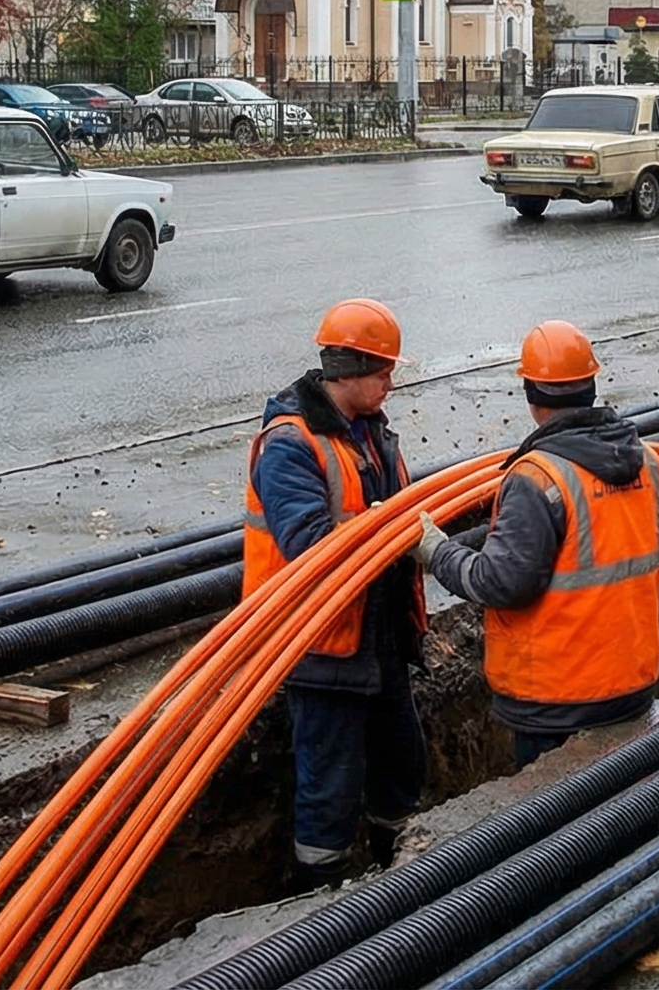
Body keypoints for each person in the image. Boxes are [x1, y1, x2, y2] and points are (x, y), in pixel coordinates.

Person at [418, 321, 659, 767]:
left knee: (556, 830)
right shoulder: (646, 460)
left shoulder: (537, 478)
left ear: (532, 396)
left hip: (557, 698)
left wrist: (435, 550)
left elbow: (500, 583)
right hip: (629, 682)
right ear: (590, 385)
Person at [243, 298, 427, 885]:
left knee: (401, 766)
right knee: (330, 784)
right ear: (347, 369)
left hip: (379, 634)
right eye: (382, 373)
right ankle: (319, 901)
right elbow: (309, 543)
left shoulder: (371, 433)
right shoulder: (291, 443)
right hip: (320, 643)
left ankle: (399, 871)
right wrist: (388, 526)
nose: (391, 384)